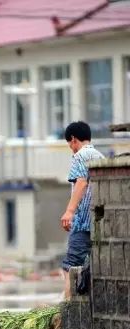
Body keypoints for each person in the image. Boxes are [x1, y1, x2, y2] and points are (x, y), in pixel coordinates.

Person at [60, 121, 104, 299]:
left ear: (73, 139)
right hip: (97, 223)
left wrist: (69, 211)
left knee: (70, 266)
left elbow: (81, 182)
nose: (71, 148)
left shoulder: (80, 156)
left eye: (69, 144)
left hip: (82, 223)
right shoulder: (100, 156)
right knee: (90, 268)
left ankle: (68, 310)